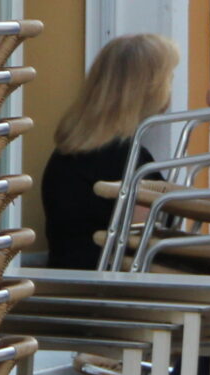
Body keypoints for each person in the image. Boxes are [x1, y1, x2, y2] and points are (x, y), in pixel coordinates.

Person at [37, 32, 180, 268]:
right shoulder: (125, 157)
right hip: (109, 289)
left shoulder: (70, 151)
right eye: (169, 78)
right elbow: (144, 239)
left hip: (69, 280)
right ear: (148, 88)